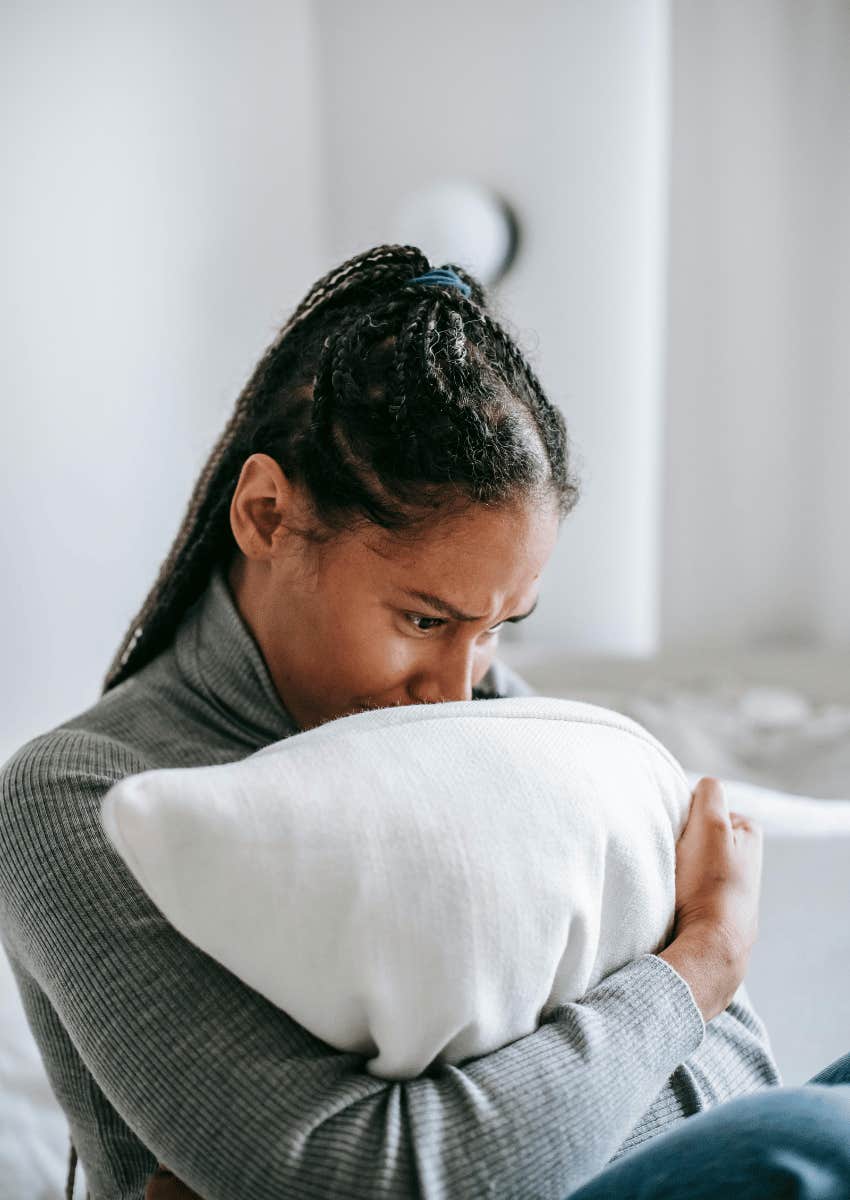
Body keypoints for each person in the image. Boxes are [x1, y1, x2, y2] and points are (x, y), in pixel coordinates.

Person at [0, 243, 846, 1200]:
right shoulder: (80, 793)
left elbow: (731, 1074)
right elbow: (366, 1180)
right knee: (812, 1144)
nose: (458, 689)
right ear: (268, 515)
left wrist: (514, 1103)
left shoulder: (502, 714)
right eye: (424, 620)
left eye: (495, 630)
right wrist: (697, 964)